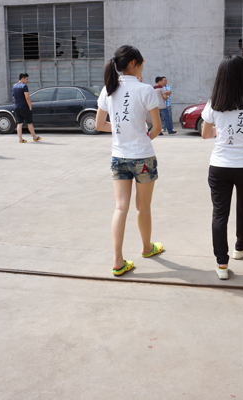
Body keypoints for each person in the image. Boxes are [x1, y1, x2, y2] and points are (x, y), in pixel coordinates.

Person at [95, 45, 163, 276]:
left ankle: (117, 261)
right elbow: (157, 127)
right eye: (142, 62)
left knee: (120, 207)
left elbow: (99, 125)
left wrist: (122, 129)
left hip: (119, 157)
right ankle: (146, 248)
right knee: (143, 207)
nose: (144, 65)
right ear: (134, 63)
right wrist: (142, 135)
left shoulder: (108, 89)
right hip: (142, 157)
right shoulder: (146, 89)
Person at [200, 55, 243, 280]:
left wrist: (222, 132)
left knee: (220, 213)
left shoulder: (213, 103)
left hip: (220, 165)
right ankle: (241, 247)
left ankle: (221, 263)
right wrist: (242, 137)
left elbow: (205, 134)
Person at [12, 73, 42, 143]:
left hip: (17, 107)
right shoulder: (24, 86)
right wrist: (30, 106)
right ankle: (34, 137)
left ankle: (20, 139)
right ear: (22, 78)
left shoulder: (14, 86)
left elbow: (14, 97)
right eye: (26, 79)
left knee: (19, 123)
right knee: (29, 123)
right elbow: (27, 97)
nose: (27, 81)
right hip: (24, 107)